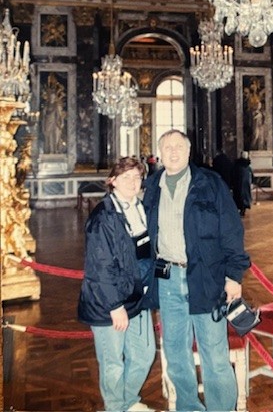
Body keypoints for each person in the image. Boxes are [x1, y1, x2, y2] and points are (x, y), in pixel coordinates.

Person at [143, 129, 250, 412]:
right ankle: (189, 407)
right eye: (167, 147)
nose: (173, 152)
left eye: (179, 146)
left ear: (189, 152)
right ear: (159, 154)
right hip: (167, 279)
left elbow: (231, 231)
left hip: (206, 278)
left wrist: (234, 275)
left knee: (214, 353)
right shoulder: (152, 186)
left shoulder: (210, 183)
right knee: (176, 352)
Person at [78, 156, 157, 412]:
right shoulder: (103, 217)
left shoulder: (141, 208)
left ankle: (128, 401)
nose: (133, 182)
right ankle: (115, 407)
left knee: (144, 354)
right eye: (126, 177)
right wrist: (115, 306)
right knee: (113, 363)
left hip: (137, 296)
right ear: (112, 181)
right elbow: (100, 267)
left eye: (137, 177)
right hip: (107, 303)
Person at [232, 151, 254, 216]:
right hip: (245, 184)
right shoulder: (248, 167)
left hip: (238, 184)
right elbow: (251, 175)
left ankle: (241, 209)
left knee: (239, 196)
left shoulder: (237, 165)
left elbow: (233, 174)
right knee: (244, 197)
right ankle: (243, 208)